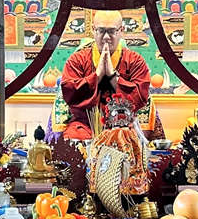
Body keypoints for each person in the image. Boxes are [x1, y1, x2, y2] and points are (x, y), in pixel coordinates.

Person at [60, 10, 152, 141]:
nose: (106, 37)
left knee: (127, 140)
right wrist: (97, 76)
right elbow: (70, 93)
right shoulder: (77, 60)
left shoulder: (135, 61)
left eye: (112, 31)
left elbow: (140, 97)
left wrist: (112, 76)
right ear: (93, 30)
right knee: (74, 139)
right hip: (85, 125)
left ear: (121, 30)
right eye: (101, 30)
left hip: (122, 124)